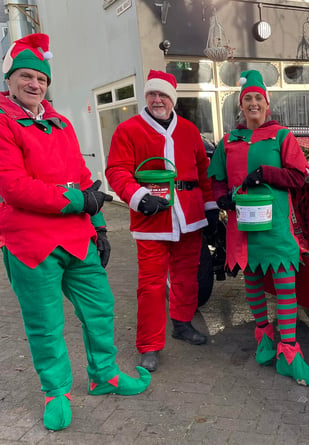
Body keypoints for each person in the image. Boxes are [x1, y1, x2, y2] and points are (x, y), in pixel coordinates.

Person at [0, 33, 150, 432]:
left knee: (100, 309)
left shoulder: (60, 122)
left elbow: (83, 178)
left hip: (77, 237)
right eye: (27, 77)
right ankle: (56, 391)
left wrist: (99, 224)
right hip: (29, 243)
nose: (35, 85)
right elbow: (11, 186)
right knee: (46, 321)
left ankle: (104, 374)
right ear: (10, 80)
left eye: (42, 79)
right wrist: (76, 202)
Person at [207, 70, 309, 386]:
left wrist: (267, 173)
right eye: (248, 99)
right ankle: (264, 339)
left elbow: (300, 177)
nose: (253, 103)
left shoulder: (282, 136)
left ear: (267, 105)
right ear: (241, 106)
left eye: (259, 98)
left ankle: (288, 351)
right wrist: (221, 200)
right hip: (242, 228)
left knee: (285, 287)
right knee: (253, 283)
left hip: (275, 228)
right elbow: (215, 179)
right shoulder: (228, 140)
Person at [106, 70, 217, 373]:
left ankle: (182, 324)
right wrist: (138, 196)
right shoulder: (128, 130)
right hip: (151, 220)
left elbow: (204, 172)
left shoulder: (190, 131)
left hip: (189, 218)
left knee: (186, 277)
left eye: (163, 95)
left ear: (172, 99)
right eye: (152, 94)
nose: (158, 99)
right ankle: (150, 345)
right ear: (146, 97)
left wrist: (209, 209)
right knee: (152, 286)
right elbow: (117, 170)